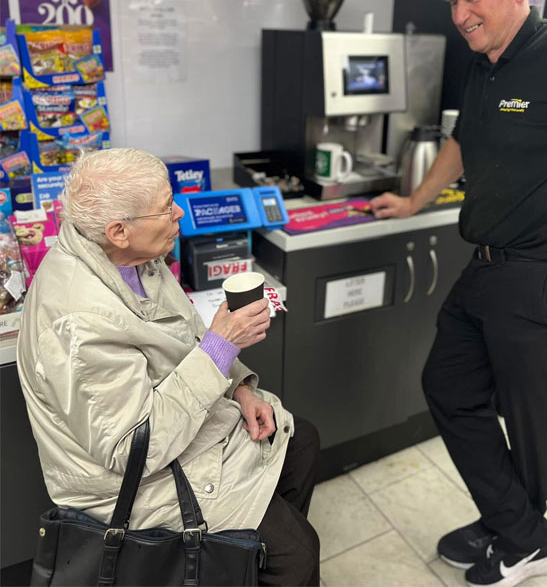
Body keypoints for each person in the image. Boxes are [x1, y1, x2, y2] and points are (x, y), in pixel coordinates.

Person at [372, 0, 547, 587]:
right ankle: (513, 522)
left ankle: (527, 541)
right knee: (449, 385)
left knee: (529, 420)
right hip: (491, 265)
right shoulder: (487, 65)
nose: (460, 10)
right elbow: (465, 140)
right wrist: (416, 200)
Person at [17, 148, 320, 586]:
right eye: (165, 207)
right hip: (128, 481)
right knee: (297, 553)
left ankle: (242, 562)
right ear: (119, 230)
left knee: (301, 439)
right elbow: (133, 449)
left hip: (180, 425)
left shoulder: (136, 259)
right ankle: (259, 553)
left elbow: (188, 335)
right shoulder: (77, 320)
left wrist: (239, 388)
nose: (179, 210)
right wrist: (222, 347)